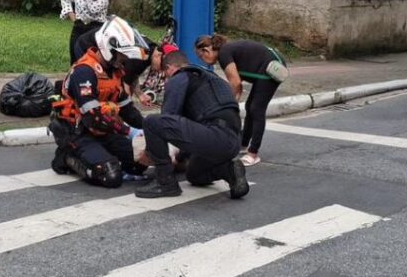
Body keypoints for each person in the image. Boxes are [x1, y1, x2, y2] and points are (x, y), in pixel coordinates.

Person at [48, 17, 151, 188]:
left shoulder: (114, 72)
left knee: (139, 162)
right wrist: (129, 131)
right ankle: (66, 156)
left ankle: (102, 154)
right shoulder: (84, 72)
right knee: (110, 175)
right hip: (79, 133)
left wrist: (150, 130)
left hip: (104, 132)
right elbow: (93, 117)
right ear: (109, 46)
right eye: (123, 54)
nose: (125, 59)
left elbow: (128, 111)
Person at [135, 50, 249, 200]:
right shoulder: (210, 78)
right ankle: (229, 170)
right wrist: (181, 158)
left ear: (170, 68)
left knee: (152, 121)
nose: (166, 80)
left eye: (165, 75)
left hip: (215, 135)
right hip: (232, 141)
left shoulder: (179, 77)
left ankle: (165, 182)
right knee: (194, 174)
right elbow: (192, 128)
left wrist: (149, 154)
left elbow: (167, 120)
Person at [194, 34, 289, 167]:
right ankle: (243, 144)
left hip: (271, 68)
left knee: (256, 109)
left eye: (200, 56)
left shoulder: (224, 54)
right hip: (263, 69)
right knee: (251, 106)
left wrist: (229, 107)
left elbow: (236, 84)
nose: (201, 60)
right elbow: (238, 82)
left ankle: (253, 153)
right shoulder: (226, 51)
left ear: (207, 51)